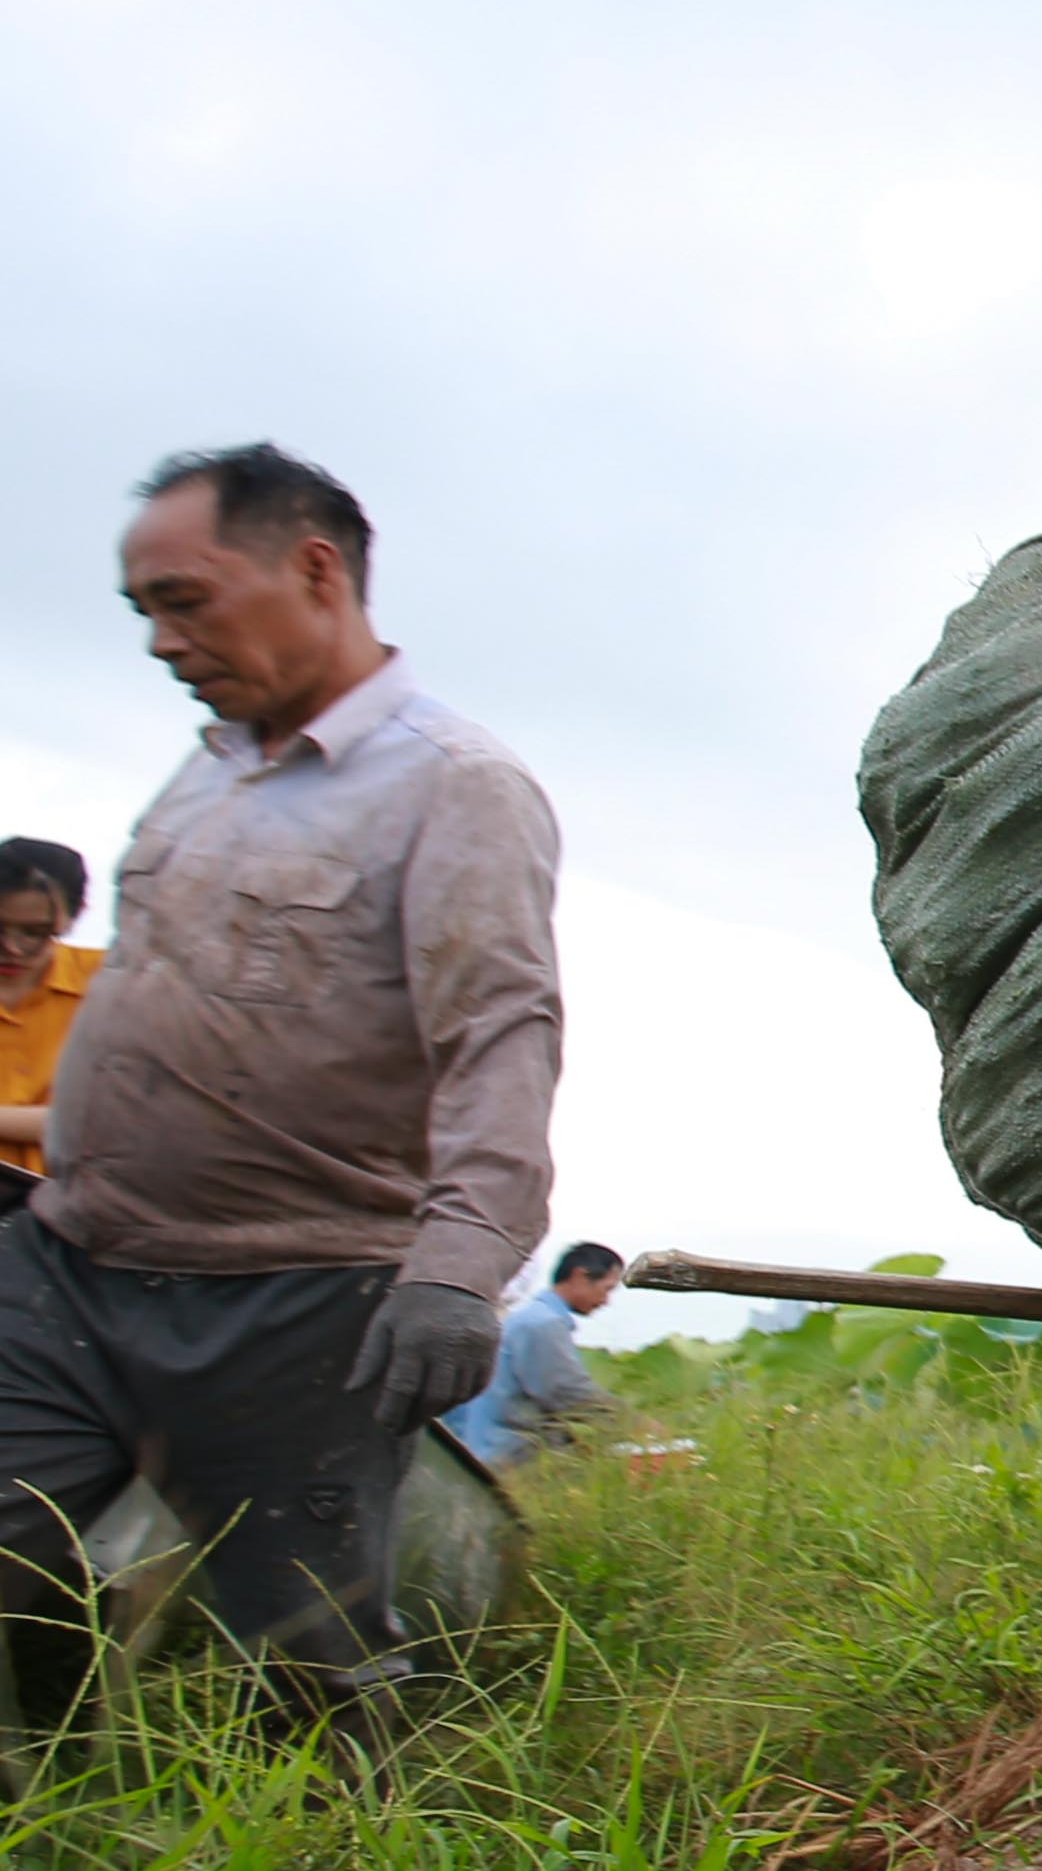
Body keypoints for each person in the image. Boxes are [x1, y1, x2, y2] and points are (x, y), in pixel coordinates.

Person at [0, 446, 563, 1742]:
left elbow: (500, 1031)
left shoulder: (454, 785)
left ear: (314, 568)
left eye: (184, 599)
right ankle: (56, 1774)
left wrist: (456, 1264)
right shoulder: (207, 773)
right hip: (72, 1261)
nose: (158, 638)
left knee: (305, 1649)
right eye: (141, 607)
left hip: (296, 1295)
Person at [449, 1241, 622, 1467]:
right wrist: (632, 1424)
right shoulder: (541, 1324)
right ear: (580, 1276)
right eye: (606, 1289)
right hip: (506, 1457)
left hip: (486, 1448)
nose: (606, 1301)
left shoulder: (532, 1318)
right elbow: (568, 1392)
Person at [0, 836, 95, 1198]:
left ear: (77, 914)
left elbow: (124, 1123)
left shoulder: (115, 984)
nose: (12, 949)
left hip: (85, 1212)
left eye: (34, 934)